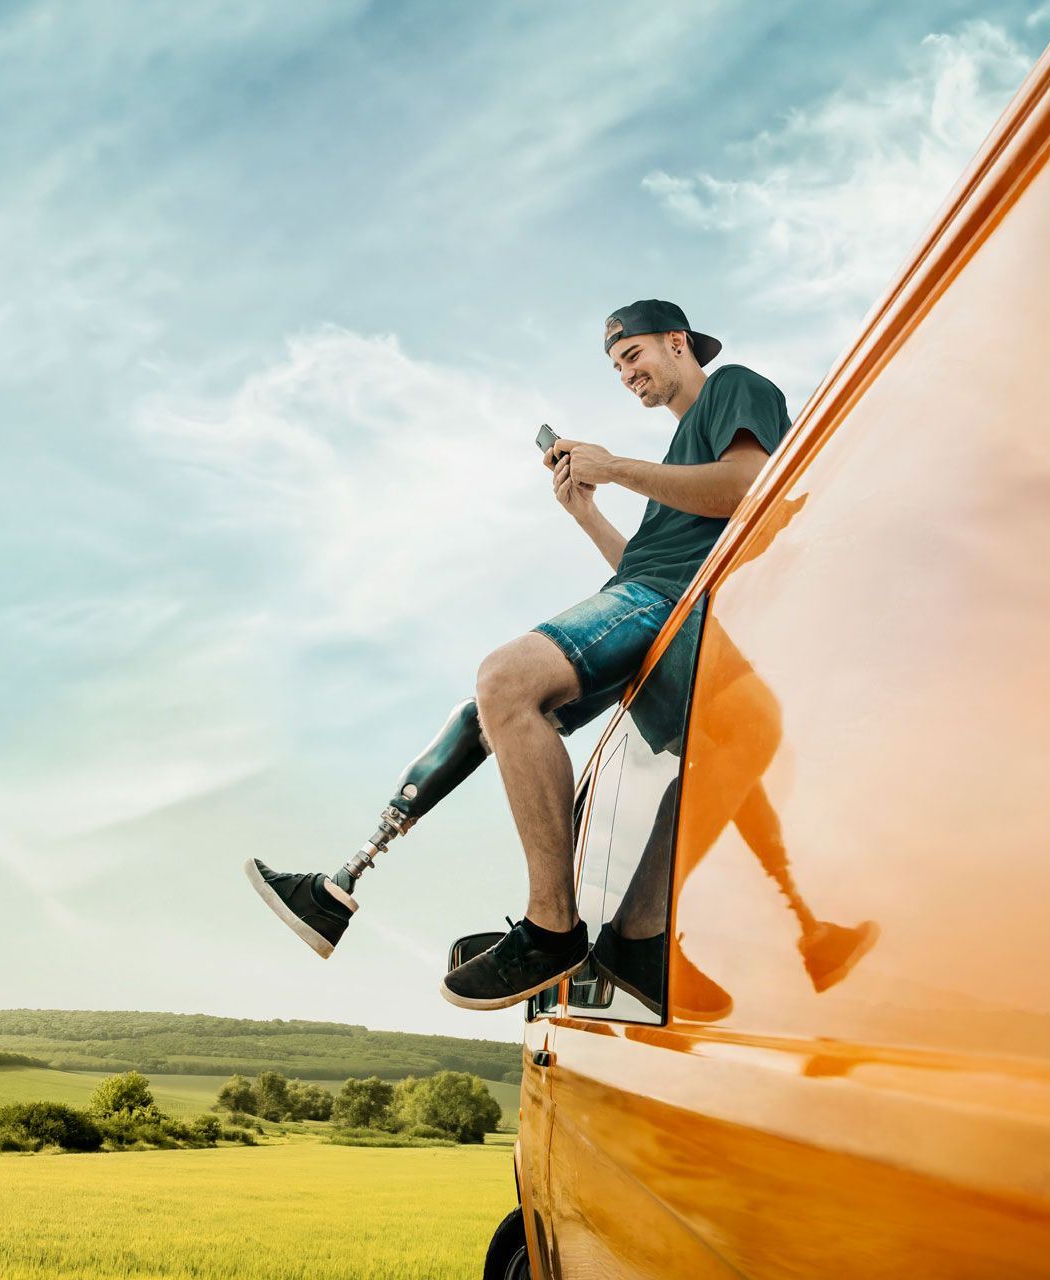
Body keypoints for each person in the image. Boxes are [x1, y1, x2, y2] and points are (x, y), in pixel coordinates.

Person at [246, 299, 791, 1009]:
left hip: (672, 608)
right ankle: (341, 882)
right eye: (615, 365)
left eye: (634, 356)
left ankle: (552, 927)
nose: (626, 373)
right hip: (653, 601)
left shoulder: (733, 387)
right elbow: (646, 565)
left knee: (506, 678)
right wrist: (587, 511)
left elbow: (749, 488)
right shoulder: (677, 454)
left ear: (678, 342)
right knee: (484, 713)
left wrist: (616, 468)